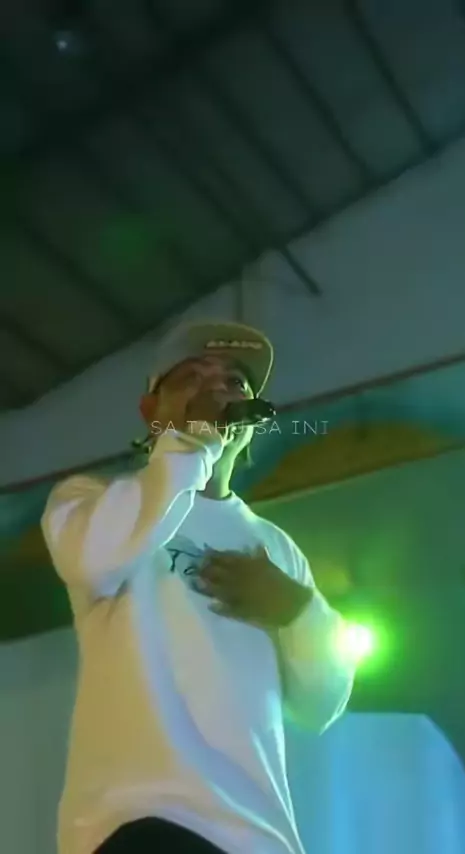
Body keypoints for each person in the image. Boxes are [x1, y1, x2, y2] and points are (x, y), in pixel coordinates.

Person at [41, 320, 356, 854]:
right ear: (151, 410)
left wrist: (298, 611)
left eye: (235, 382)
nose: (217, 390)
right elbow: (93, 562)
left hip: (258, 836)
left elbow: (320, 705)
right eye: (192, 377)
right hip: (139, 819)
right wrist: (190, 444)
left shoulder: (275, 546)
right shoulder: (92, 500)